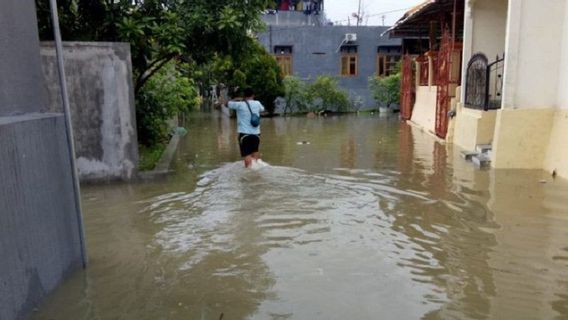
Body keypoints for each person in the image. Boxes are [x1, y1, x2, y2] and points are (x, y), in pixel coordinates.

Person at [228, 88, 265, 168]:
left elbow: (227, 103)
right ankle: (257, 170)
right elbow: (262, 109)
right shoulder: (257, 103)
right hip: (256, 134)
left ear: (244, 96)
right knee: (255, 152)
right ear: (253, 95)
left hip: (244, 135)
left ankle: (249, 172)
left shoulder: (239, 104)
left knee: (247, 155)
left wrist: (237, 99)